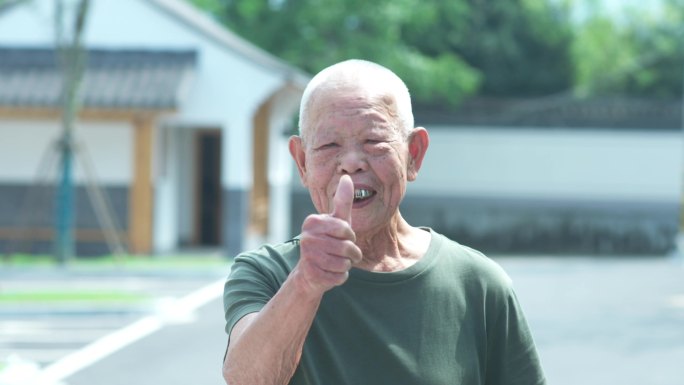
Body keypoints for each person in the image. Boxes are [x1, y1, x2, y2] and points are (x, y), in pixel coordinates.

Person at [222, 59, 546, 385]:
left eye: (374, 141)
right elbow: (246, 378)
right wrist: (306, 283)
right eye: (329, 145)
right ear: (302, 162)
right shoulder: (266, 273)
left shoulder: (479, 283)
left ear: (413, 154)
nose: (350, 163)